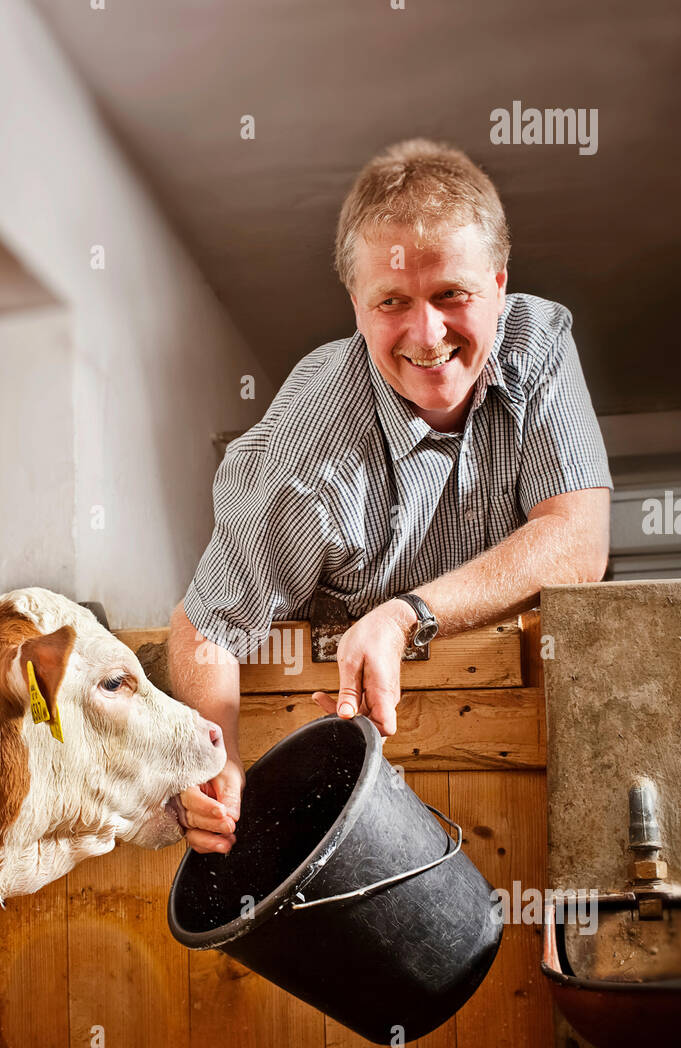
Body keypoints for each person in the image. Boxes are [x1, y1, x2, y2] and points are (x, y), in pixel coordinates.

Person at [167, 138, 612, 855]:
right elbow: (208, 626)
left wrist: (406, 617)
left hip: (537, 769)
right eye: (392, 302)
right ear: (356, 305)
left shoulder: (540, 343)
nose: (427, 334)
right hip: (358, 790)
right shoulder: (306, 454)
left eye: (452, 295)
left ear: (499, 283)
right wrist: (215, 758)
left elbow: (578, 540)